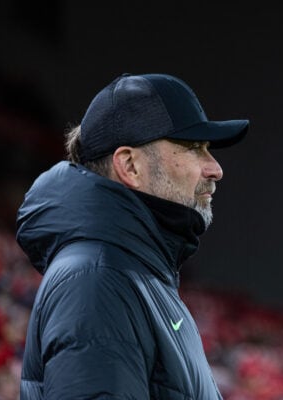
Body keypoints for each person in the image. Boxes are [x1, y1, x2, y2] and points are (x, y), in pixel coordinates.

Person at [15, 73, 249, 399]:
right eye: (195, 147)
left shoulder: (131, 274)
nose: (215, 168)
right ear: (130, 165)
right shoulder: (97, 278)